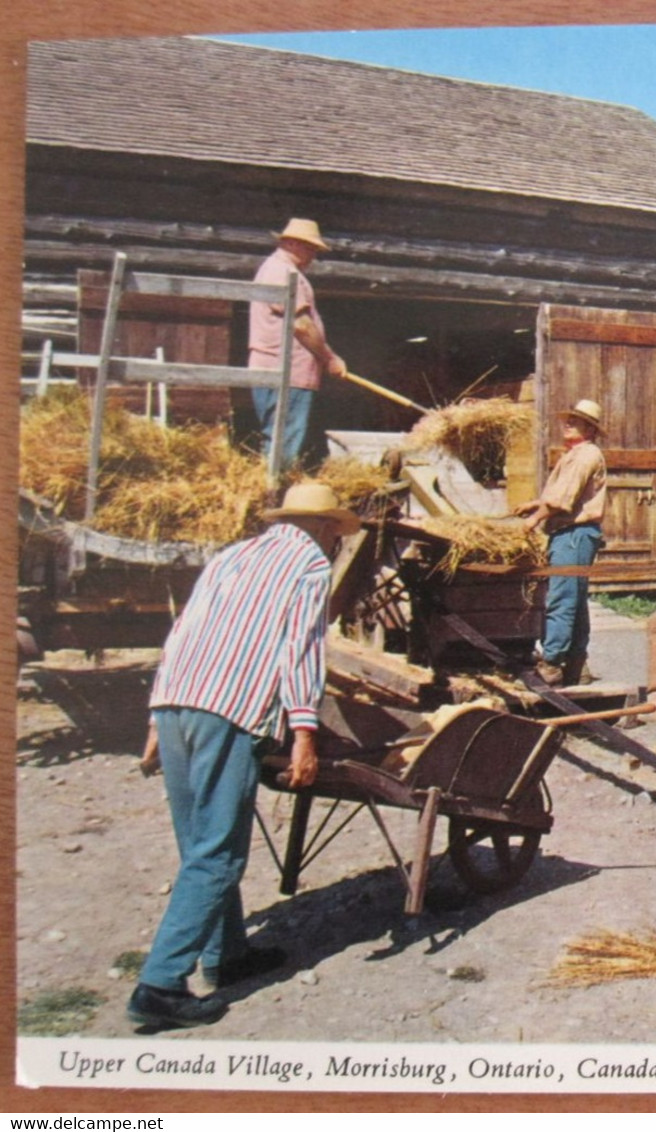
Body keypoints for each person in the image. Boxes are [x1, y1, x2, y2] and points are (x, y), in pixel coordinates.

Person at [127, 482, 359, 1030]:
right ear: (325, 528)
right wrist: (305, 732)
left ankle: (225, 955)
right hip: (228, 710)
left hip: (175, 700)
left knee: (197, 841)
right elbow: (300, 650)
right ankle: (159, 984)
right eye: (335, 534)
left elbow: (182, 631)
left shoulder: (231, 554)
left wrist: (154, 716)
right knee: (220, 852)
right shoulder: (309, 565)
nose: (335, 544)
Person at [514, 399, 607, 687]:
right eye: (568, 419)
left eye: (575, 421)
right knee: (575, 600)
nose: (567, 423)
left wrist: (534, 520)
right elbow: (562, 495)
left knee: (561, 598)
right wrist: (534, 504)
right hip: (573, 534)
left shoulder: (585, 455)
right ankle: (578, 665)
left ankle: (552, 665)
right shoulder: (576, 454)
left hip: (574, 535)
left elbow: (563, 500)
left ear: (590, 429)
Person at [249, 219, 346, 472]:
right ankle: (276, 499)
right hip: (286, 372)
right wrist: (330, 358)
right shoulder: (281, 272)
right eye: (310, 247)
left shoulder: (282, 271)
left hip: (287, 371)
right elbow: (301, 325)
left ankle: (274, 494)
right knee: (283, 445)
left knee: (280, 441)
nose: (313, 255)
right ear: (290, 243)